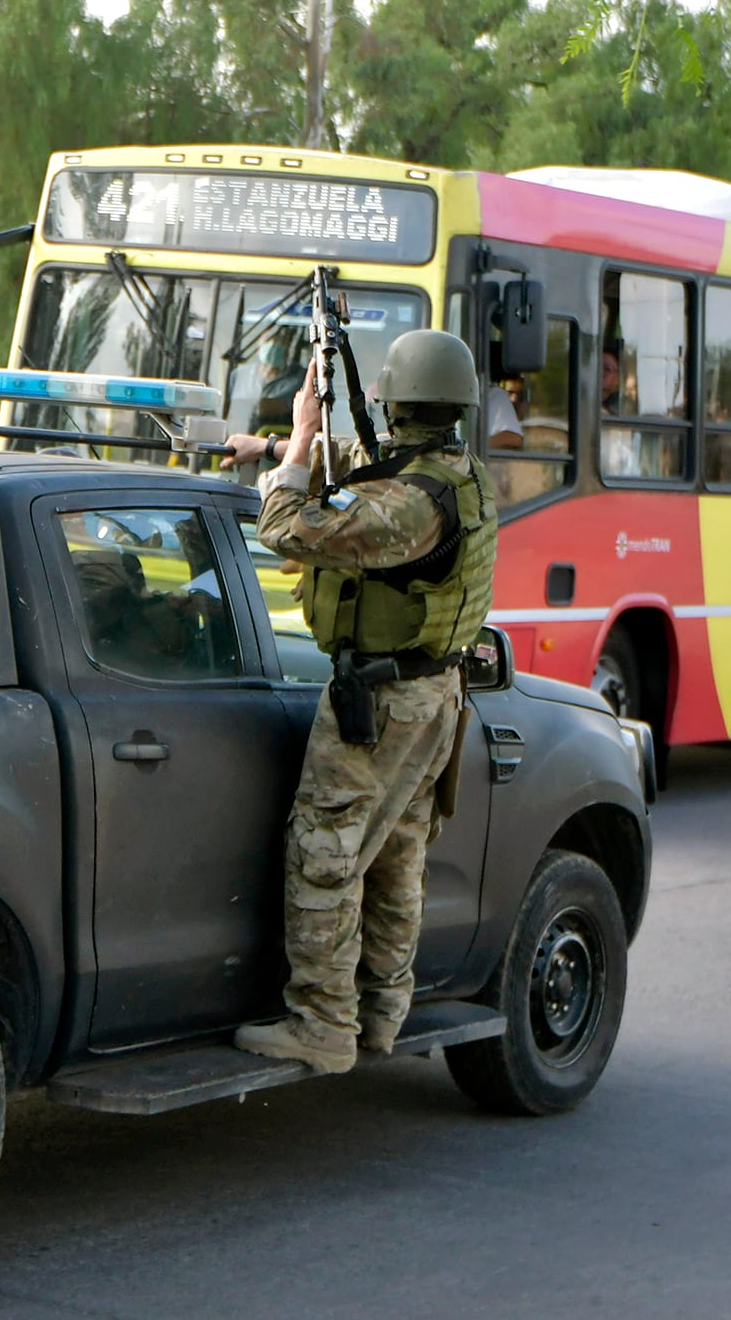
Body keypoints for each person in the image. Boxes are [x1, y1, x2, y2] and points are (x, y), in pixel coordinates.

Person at [228, 328, 498, 1074]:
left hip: (381, 702)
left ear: (395, 399)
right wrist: (278, 446)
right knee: (395, 858)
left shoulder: (410, 509)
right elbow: (372, 467)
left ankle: (321, 1024)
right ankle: (381, 1012)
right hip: (432, 696)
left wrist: (299, 446)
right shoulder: (456, 472)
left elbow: (285, 526)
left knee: (325, 852)